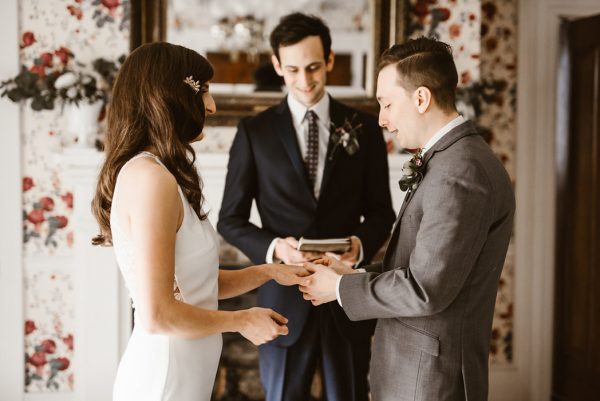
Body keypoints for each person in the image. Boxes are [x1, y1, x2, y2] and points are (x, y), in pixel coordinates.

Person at [300, 37, 515, 401]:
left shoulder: (459, 174)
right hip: (415, 370)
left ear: (421, 98)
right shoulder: (450, 161)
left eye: (386, 104)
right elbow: (421, 264)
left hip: (429, 379)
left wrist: (338, 289)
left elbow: (426, 289)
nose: (382, 119)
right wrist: (353, 274)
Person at [90, 42, 308, 401]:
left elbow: (198, 285)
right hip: (164, 378)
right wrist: (242, 320)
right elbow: (158, 314)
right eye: (204, 90)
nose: (211, 106)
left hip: (187, 373)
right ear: (170, 96)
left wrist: (271, 271)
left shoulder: (162, 174)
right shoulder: (149, 178)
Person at [217, 12, 395, 401]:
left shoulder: (364, 128)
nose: (305, 80)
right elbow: (229, 219)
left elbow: (383, 211)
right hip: (282, 303)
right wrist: (275, 249)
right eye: (293, 69)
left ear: (330, 60)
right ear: (278, 66)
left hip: (346, 297)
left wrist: (357, 246)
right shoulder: (255, 132)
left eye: (314, 67)